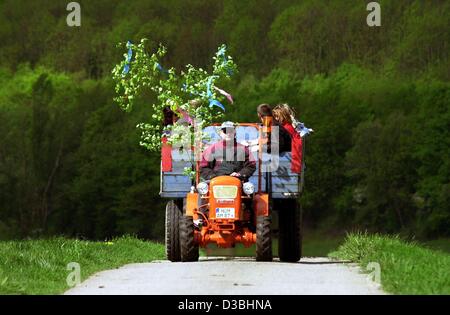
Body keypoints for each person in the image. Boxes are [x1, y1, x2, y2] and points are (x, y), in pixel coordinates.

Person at [272, 104, 303, 173]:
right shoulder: (287, 126)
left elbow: (280, 145)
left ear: (284, 116)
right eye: (275, 116)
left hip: (287, 159)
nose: (276, 119)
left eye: (278, 116)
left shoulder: (286, 128)